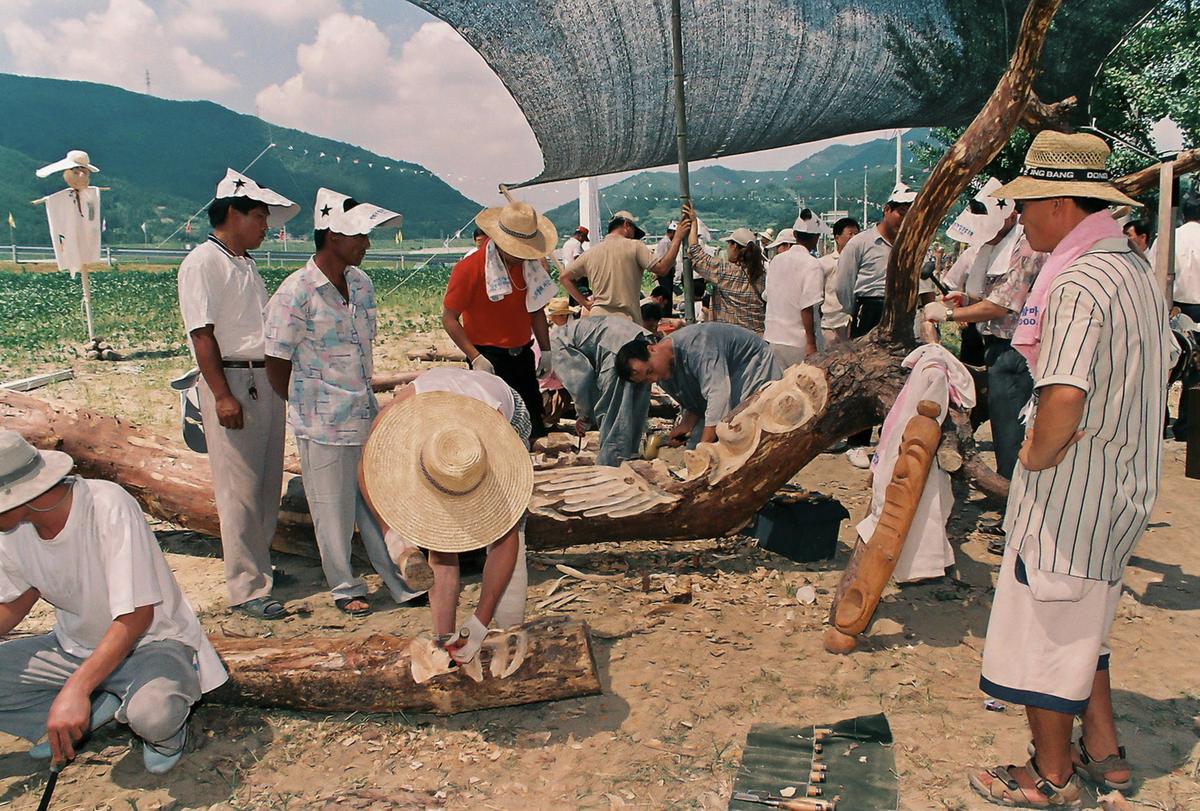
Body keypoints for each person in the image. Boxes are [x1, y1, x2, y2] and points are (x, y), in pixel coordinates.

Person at [968, 132, 1170, 808]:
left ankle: (1050, 773)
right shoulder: (1131, 268)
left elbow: (1063, 395)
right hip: (1122, 483)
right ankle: (1104, 754)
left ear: (1058, 204)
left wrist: (1032, 454)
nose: (1020, 216)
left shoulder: (1079, 281)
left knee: (1046, 636)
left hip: (1073, 492)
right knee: (1085, 623)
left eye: (1027, 203)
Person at [0, 431, 227, 773]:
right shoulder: (13, 528)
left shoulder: (105, 505)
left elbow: (137, 617)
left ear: (20, 497)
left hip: (150, 645)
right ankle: (93, 706)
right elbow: (17, 599)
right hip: (73, 649)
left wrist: (77, 687)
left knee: (154, 716)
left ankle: (154, 729)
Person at [264, 188, 427, 616]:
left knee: (378, 502)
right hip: (322, 422)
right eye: (360, 236)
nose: (367, 244)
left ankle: (401, 581)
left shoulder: (361, 284)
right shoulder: (296, 292)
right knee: (332, 510)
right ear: (333, 236)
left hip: (364, 413)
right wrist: (305, 402)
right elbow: (276, 360)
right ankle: (344, 586)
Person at [175, 169, 299, 621]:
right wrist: (221, 395)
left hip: (262, 378)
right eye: (260, 217)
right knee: (239, 486)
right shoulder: (202, 263)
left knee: (265, 481)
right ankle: (246, 586)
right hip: (231, 378)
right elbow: (202, 334)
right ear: (233, 213)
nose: (266, 226)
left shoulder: (244, 264)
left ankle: (258, 565)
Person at [360, 370, 534, 663]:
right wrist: (392, 536)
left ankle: (509, 634)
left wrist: (478, 623)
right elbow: (366, 467)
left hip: (504, 411)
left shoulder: (499, 441)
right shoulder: (394, 422)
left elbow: (506, 538)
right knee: (441, 536)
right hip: (438, 433)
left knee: (511, 532)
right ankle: (443, 639)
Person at [923, 190, 1047, 483]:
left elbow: (1001, 304)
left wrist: (950, 315)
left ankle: (1012, 494)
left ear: (1010, 215)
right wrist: (966, 300)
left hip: (1017, 350)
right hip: (996, 345)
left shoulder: (1025, 248)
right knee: (1004, 427)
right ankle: (1010, 488)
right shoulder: (998, 245)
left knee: (1013, 430)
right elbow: (991, 297)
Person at [442, 200, 558, 439]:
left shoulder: (530, 268)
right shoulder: (469, 268)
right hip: (488, 356)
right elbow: (449, 318)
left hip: (522, 355)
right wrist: (475, 357)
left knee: (533, 425)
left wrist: (546, 350)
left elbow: (536, 310)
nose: (522, 256)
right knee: (496, 431)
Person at [834, 183, 918, 467]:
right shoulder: (861, 242)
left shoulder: (911, 242)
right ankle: (856, 441)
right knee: (864, 375)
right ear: (887, 210)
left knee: (899, 372)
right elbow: (843, 283)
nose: (905, 219)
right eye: (901, 212)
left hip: (901, 309)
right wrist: (856, 313)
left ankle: (889, 437)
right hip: (869, 308)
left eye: (910, 213)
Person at [615, 322, 781, 448]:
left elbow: (718, 396)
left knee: (741, 435)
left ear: (651, 349)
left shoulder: (697, 346)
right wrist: (686, 425)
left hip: (752, 367)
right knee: (695, 446)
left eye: (650, 371)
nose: (652, 379)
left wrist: (705, 446)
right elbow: (698, 399)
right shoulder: (662, 372)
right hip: (725, 382)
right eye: (645, 380)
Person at [553, 315, 655, 465]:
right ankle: (630, 458)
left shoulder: (554, 344)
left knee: (613, 421)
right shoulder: (568, 331)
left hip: (616, 349)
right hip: (637, 339)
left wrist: (584, 415)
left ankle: (611, 468)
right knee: (634, 411)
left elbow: (581, 382)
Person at [560, 211, 684, 325]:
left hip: (597, 321)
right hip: (625, 321)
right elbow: (662, 269)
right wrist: (678, 238)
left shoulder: (591, 253)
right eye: (634, 232)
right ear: (626, 225)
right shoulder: (635, 246)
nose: (633, 237)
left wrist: (586, 303)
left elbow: (564, 278)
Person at [681, 203, 768, 333]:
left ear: (734, 246)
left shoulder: (726, 271)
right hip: (757, 336)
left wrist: (694, 223)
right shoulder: (762, 275)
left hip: (732, 337)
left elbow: (696, 253)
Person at [764, 222, 824, 367]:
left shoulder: (775, 261)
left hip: (773, 337)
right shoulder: (812, 264)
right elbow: (807, 306)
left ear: (795, 235)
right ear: (816, 237)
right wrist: (811, 343)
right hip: (798, 341)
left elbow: (767, 296)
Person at [1171, 194, 1200, 440]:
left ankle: (1162, 422)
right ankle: (1187, 427)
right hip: (1196, 309)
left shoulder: (1171, 237)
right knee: (1196, 373)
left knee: (1168, 368)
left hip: (1174, 309)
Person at [819, 217, 860, 346]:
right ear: (837, 238)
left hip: (852, 323)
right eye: (850, 234)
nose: (854, 238)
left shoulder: (861, 263)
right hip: (829, 325)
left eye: (856, 234)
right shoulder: (825, 263)